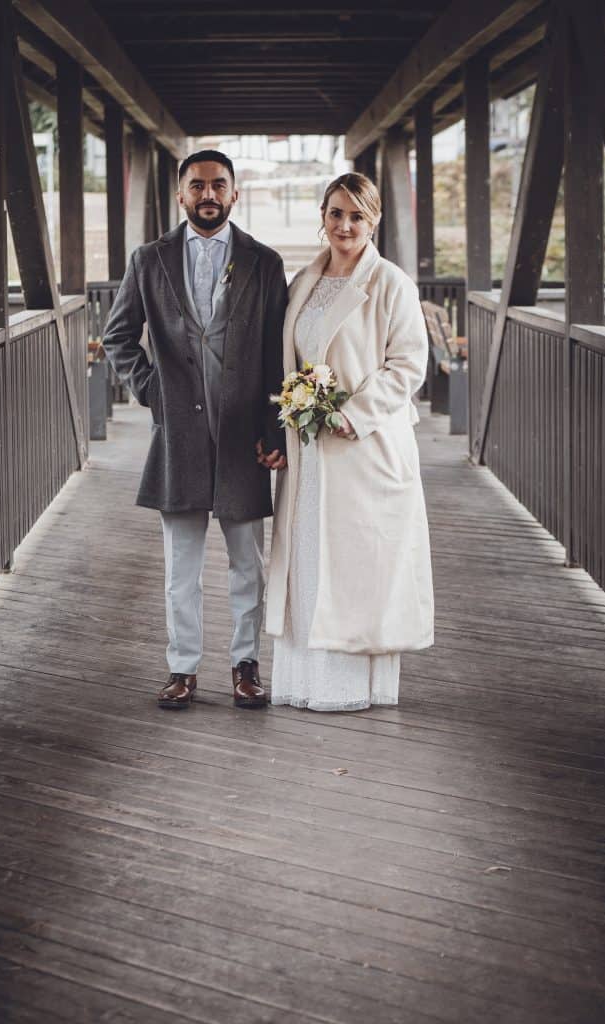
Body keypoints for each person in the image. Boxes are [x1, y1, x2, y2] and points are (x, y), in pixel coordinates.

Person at [102, 150, 287, 710]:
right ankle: (182, 669)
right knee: (180, 568)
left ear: (234, 193)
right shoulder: (149, 258)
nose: (209, 194)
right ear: (180, 194)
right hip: (178, 437)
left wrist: (275, 428)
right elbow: (118, 337)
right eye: (198, 185)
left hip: (243, 437)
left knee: (246, 565)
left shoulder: (264, 261)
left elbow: (278, 349)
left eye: (219, 185)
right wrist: (155, 394)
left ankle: (245, 667)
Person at [265, 172, 434, 711]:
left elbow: (408, 366)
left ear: (374, 220)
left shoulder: (391, 283)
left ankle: (349, 687)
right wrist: (294, 410)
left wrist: (351, 414)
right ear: (323, 215)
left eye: (356, 216)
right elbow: (288, 359)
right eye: (336, 213)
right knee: (309, 554)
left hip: (364, 447)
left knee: (358, 562)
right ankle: (304, 680)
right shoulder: (304, 283)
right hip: (309, 449)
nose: (344, 225)